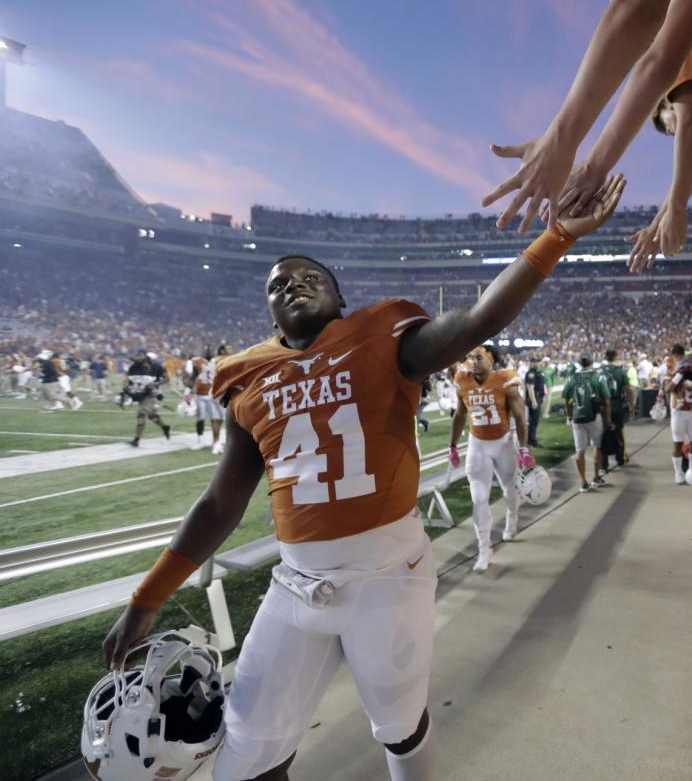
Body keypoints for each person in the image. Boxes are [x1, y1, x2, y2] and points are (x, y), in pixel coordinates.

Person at [100, 173, 626, 781]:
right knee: (245, 752)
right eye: (277, 284)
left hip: (387, 576)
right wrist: (147, 598)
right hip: (297, 581)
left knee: (399, 731)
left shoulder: (384, 338)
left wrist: (557, 236)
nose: (291, 284)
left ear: (339, 296)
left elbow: (479, 319)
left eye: (308, 277)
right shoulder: (247, 377)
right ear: (267, 307)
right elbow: (221, 502)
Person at [449, 344, 533, 573]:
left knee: (510, 491)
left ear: (492, 360)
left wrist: (524, 447)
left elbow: (519, 415)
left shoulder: (505, 379)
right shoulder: (463, 380)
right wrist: (453, 445)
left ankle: (512, 518)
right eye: (471, 357)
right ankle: (484, 550)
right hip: (477, 444)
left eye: (479, 357)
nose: (474, 361)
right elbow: (459, 414)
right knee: (478, 498)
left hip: (503, 442)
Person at [563, 354, 613, 492]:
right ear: (591, 363)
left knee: (580, 451)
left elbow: (566, 399)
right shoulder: (598, 377)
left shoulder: (572, 378)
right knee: (597, 446)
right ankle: (596, 476)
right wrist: (608, 419)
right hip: (594, 416)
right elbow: (607, 400)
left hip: (577, 418)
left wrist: (569, 415)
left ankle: (583, 482)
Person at [664, 344, 692, 485]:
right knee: (678, 442)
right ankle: (678, 472)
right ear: (674, 357)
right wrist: (678, 377)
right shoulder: (673, 371)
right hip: (678, 413)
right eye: (679, 358)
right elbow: (668, 389)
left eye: (682, 358)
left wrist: (690, 383)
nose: (682, 361)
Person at [125, 349, 171, 447]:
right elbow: (130, 381)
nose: (138, 357)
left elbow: (167, 379)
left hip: (150, 394)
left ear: (146, 356)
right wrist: (128, 391)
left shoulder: (156, 367)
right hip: (139, 394)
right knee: (151, 415)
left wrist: (155, 384)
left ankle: (136, 440)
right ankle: (165, 427)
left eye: (141, 355)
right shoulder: (133, 367)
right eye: (137, 355)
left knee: (141, 414)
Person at [601, 348, 634, 468]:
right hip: (616, 405)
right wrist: (631, 405)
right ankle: (620, 458)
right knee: (619, 431)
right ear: (616, 356)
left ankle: (603, 462)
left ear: (605, 356)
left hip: (603, 406)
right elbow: (628, 389)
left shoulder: (601, 372)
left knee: (603, 433)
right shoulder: (620, 371)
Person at [190, 346, 226, 454]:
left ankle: (215, 442)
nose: (209, 352)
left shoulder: (218, 361)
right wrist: (190, 387)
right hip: (200, 394)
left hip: (212, 394)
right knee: (200, 418)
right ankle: (200, 440)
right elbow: (193, 376)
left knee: (214, 419)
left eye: (211, 350)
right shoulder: (198, 361)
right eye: (207, 350)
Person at [523, 361, 547, 447]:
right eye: (535, 362)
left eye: (538, 361)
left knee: (534, 421)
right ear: (531, 363)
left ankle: (531, 440)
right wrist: (533, 401)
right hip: (534, 398)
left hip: (538, 397)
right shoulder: (531, 374)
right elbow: (530, 388)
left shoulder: (537, 372)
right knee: (533, 421)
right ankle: (531, 441)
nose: (537, 363)